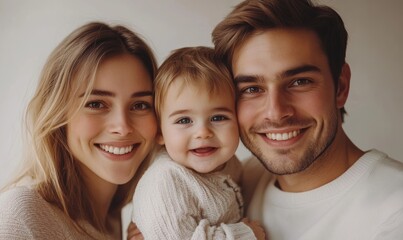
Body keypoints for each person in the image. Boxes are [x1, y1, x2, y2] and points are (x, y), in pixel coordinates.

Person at [212, 0, 403, 239]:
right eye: (251, 89)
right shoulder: (237, 183)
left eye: (300, 82)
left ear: (341, 87)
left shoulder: (395, 212)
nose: (276, 112)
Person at [0, 22, 158, 239]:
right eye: (96, 104)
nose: (122, 127)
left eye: (140, 105)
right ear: (58, 112)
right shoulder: (21, 215)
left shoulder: (116, 218)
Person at [130, 46, 265, 240]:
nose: (203, 133)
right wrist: (247, 234)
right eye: (184, 120)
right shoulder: (166, 181)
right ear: (159, 131)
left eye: (218, 117)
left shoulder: (231, 164)